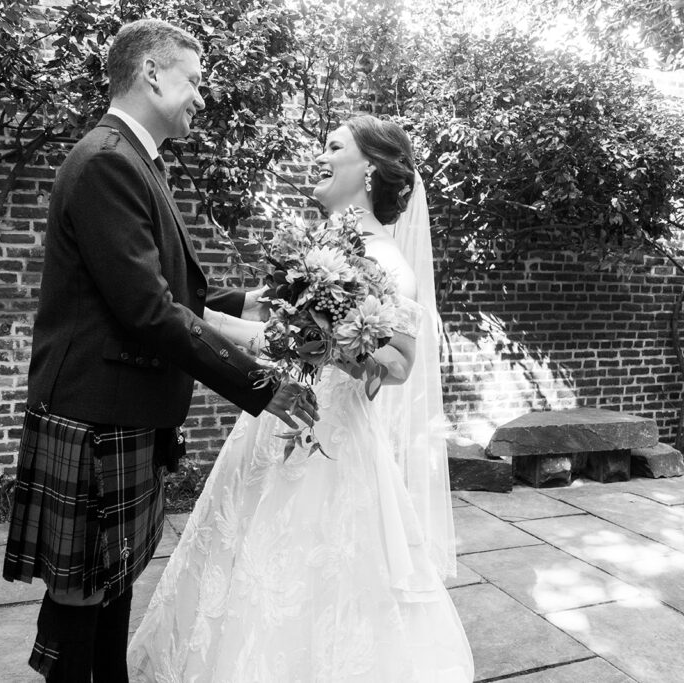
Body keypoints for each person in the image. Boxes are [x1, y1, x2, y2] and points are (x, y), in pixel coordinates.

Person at [1, 19, 317, 683]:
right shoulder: (110, 160)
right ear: (151, 73)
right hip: (96, 416)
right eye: (194, 81)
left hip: (118, 411)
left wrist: (256, 303)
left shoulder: (133, 157)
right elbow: (148, 311)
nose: (202, 97)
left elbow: (162, 286)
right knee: (85, 596)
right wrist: (264, 386)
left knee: (109, 586)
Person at [126, 115, 474, 682]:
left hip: (329, 438)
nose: (321, 154)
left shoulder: (386, 263)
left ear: (369, 171)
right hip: (277, 416)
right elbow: (274, 327)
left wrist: (331, 344)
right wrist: (196, 315)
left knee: (313, 571)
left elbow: (398, 365)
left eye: (334, 147)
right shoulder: (323, 247)